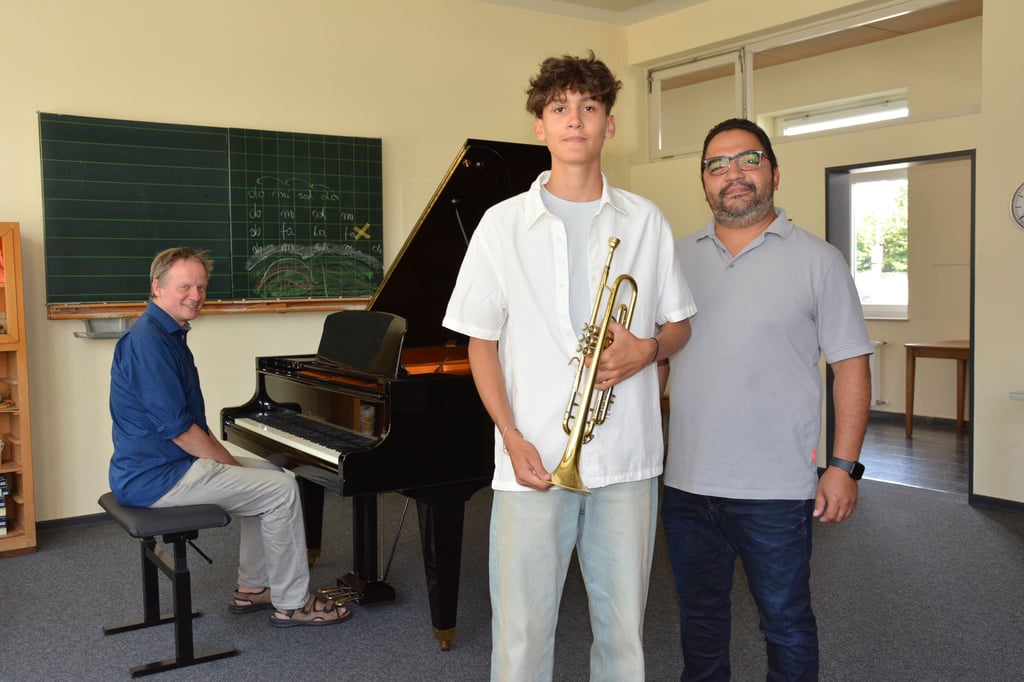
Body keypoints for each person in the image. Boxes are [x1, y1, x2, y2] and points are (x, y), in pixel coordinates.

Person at [443, 51, 696, 681]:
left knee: (624, 631)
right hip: (531, 455)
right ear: (540, 126)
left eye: (589, 106)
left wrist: (648, 349)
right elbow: (481, 343)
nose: (575, 119)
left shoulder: (646, 221)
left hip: (626, 455)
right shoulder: (501, 225)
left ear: (610, 124)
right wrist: (510, 435)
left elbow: (679, 326)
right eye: (559, 108)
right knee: (522, 630)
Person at [662, 118, 873, 680]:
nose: (732, 173)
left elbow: (851, 368)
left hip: (776, 489)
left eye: (748, 160)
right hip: (686, 483)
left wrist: (844, 467)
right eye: (717, 164)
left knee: (784, 623)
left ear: (774, 173)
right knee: (699, 616)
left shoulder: (820, 261)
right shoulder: (674, 259)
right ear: (704, 182)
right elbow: (657, 358)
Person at [108, 246, 349, 628]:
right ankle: (293, 603)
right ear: (157, 287)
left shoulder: (166, 334)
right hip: (157, 477)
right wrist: (231, 465)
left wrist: (232, 466)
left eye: (201, 287)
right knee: (281, 490)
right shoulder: (148, 343)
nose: (195, 295)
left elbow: (188, 423)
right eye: (185, 286)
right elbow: (180, 431)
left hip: (167, 465)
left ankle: (253, 588)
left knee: (271, 474)